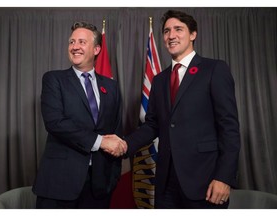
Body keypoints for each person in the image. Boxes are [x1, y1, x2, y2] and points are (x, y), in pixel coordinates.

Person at [124, 10, 241, 208]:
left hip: (205, 181)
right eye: (167, 31)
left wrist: (224, 177)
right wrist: (125, 145)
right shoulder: (159, 80)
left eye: (178, 29)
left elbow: (229, 127)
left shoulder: (214, 69)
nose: (171, 35)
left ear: (193, 34)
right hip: (165, 183)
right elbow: (153, 125)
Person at [32, 21, 127, 209]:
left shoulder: (111, 86)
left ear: (97, 49)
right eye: (71, 42)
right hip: (59, 184)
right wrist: (101, 141)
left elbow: (116, 129)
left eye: (82, 42)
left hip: (99, 186)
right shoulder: (54, 79)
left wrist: (113, 175)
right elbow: (55, 123)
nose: (75, 47)